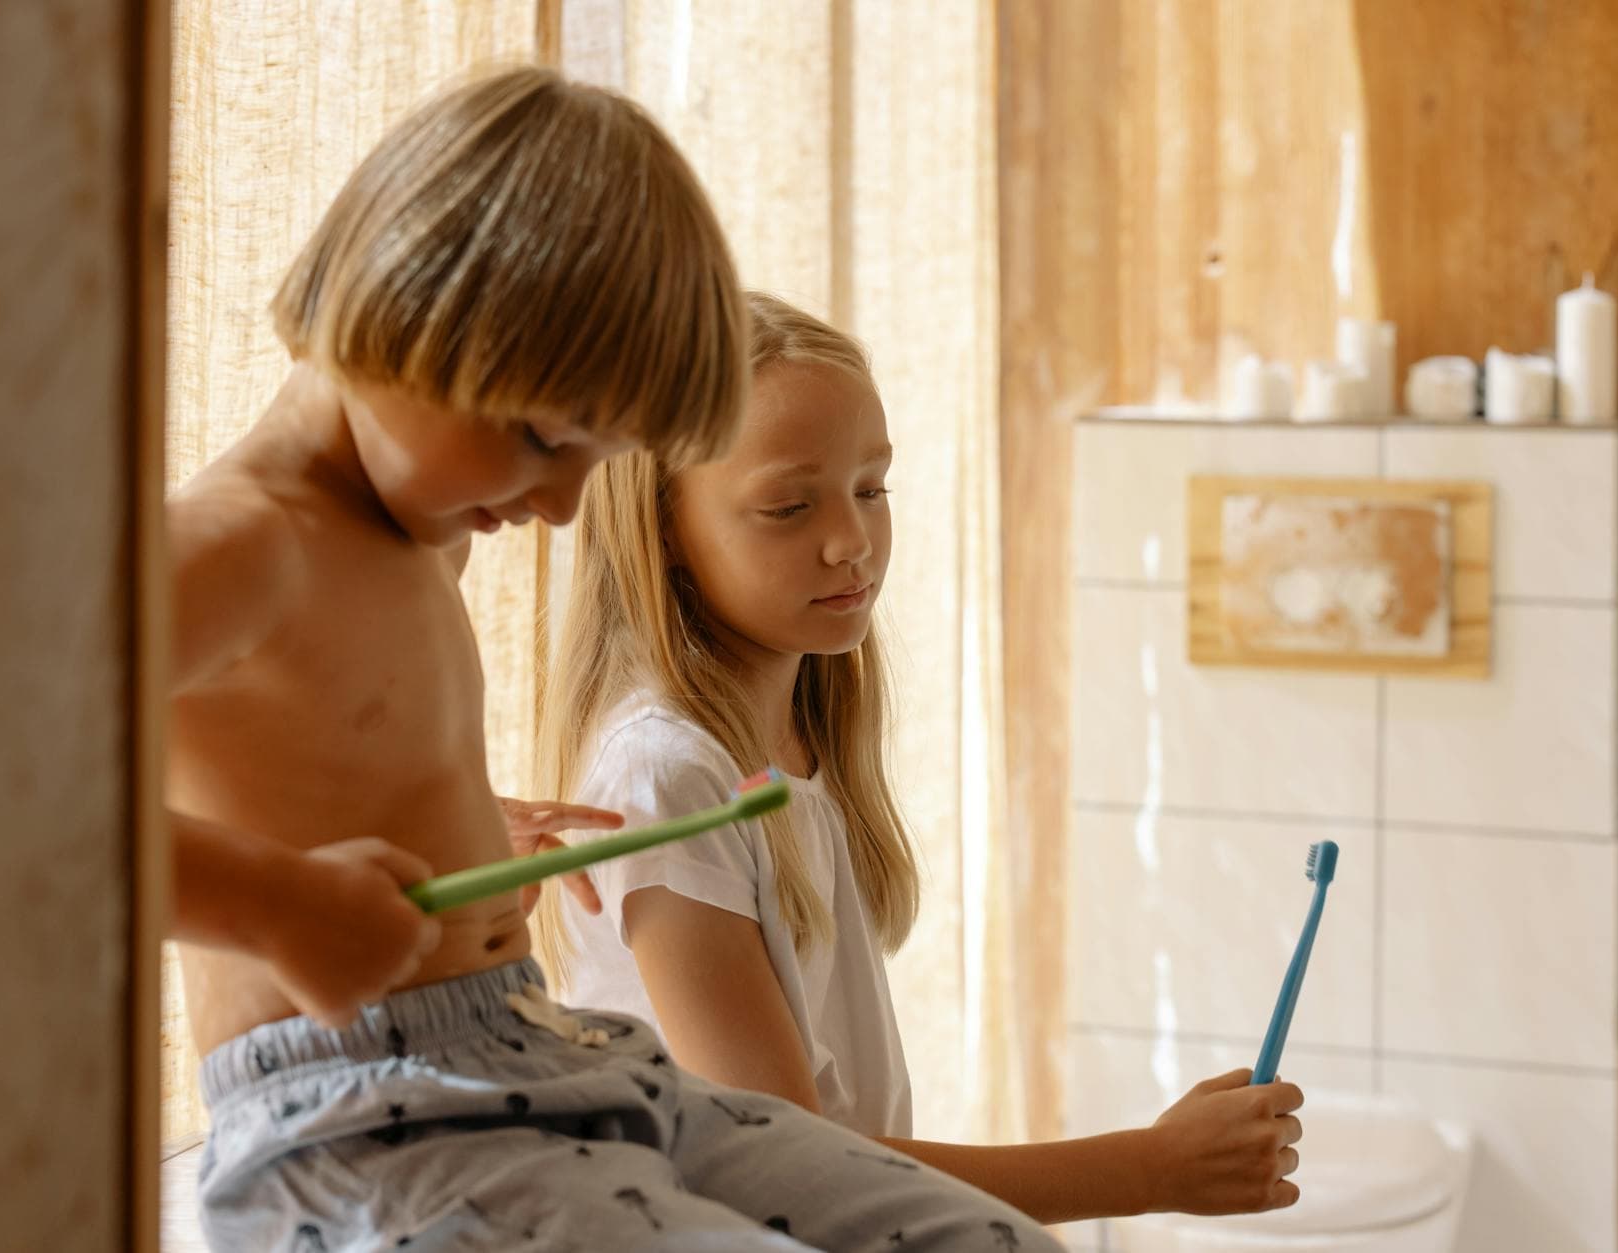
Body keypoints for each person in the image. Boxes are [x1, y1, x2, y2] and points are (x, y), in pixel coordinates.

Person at [168, 69, 1063, 1251]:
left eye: (595, 455)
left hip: (524, 1047)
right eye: (544, 437)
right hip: (356, 1119)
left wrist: (469, 833)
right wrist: (280, 907)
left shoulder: (416, 527)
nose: (556, 502)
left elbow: (307, 756)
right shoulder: (238, 541)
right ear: (407, 307)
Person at [533, 290, 1304, 1225]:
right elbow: (783, 1166)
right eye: (787, 506)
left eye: (872, 488)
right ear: (663, 531)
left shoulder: (798, 743)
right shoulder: (665, 776)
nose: (851, 541)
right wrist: (1146, 1170)